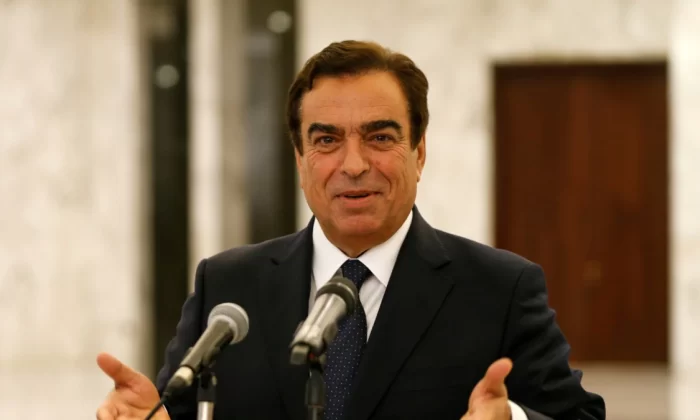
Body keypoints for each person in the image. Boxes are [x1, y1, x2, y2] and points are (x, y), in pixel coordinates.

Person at [95, 40, 605, 420]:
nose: (354, 164)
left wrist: (513, 419)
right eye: (327, 140)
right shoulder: (228, 287)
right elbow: (178, 411)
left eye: (379, 137)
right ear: (300, 160)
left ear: (419, 152)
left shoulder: (499, 289)